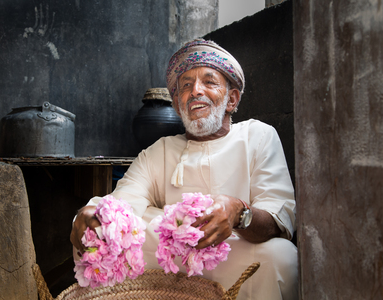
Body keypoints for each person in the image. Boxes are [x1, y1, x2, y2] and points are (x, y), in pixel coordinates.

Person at [71, 39, 298, 300]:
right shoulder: (160, 151)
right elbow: (123, 204)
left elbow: (279, 219)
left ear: (232, 99)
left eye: (209, 82)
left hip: (234, 257)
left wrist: (238, 212)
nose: (195, 91)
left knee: (281, 257)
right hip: (172, 266)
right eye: (186, 86)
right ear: (178, 104)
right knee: (99, 236)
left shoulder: (258, 136)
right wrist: (91, 215)